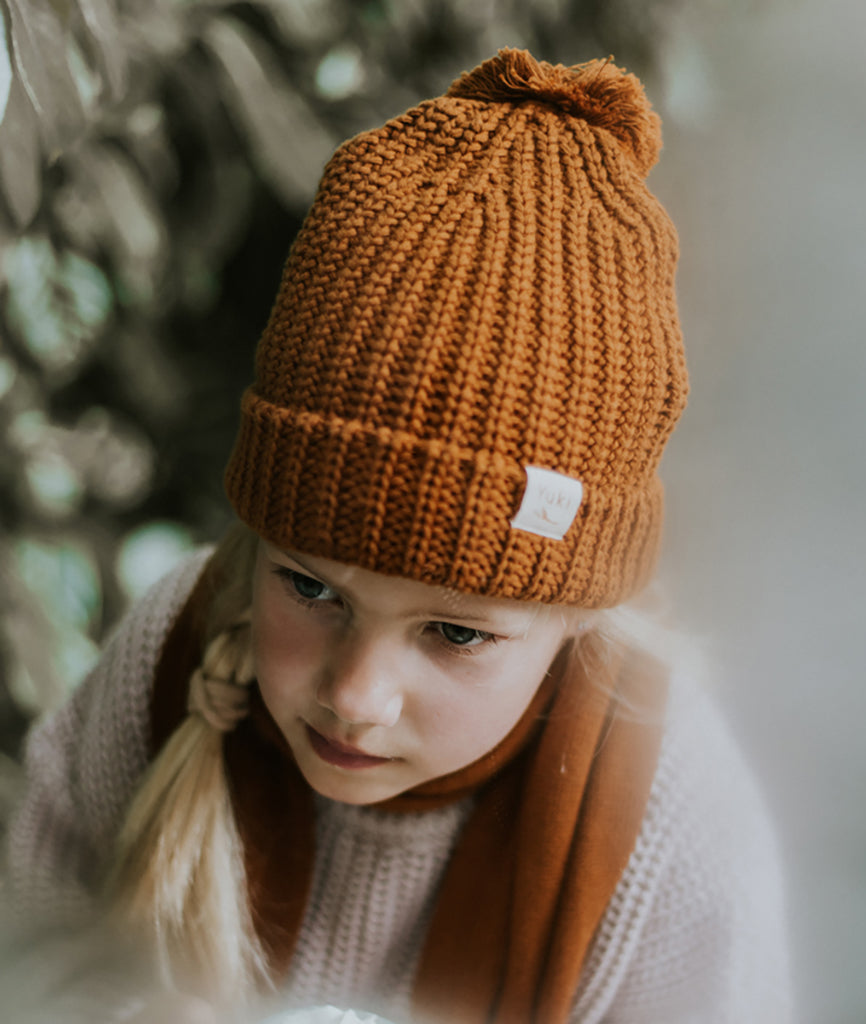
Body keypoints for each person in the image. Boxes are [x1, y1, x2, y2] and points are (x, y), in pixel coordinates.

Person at [3, 48, 790, 1024]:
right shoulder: (176, 654)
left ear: (576, 616)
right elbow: (28, 943)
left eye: (456, 633)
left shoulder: (663, 827)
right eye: (312, 588)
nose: (355, 696)